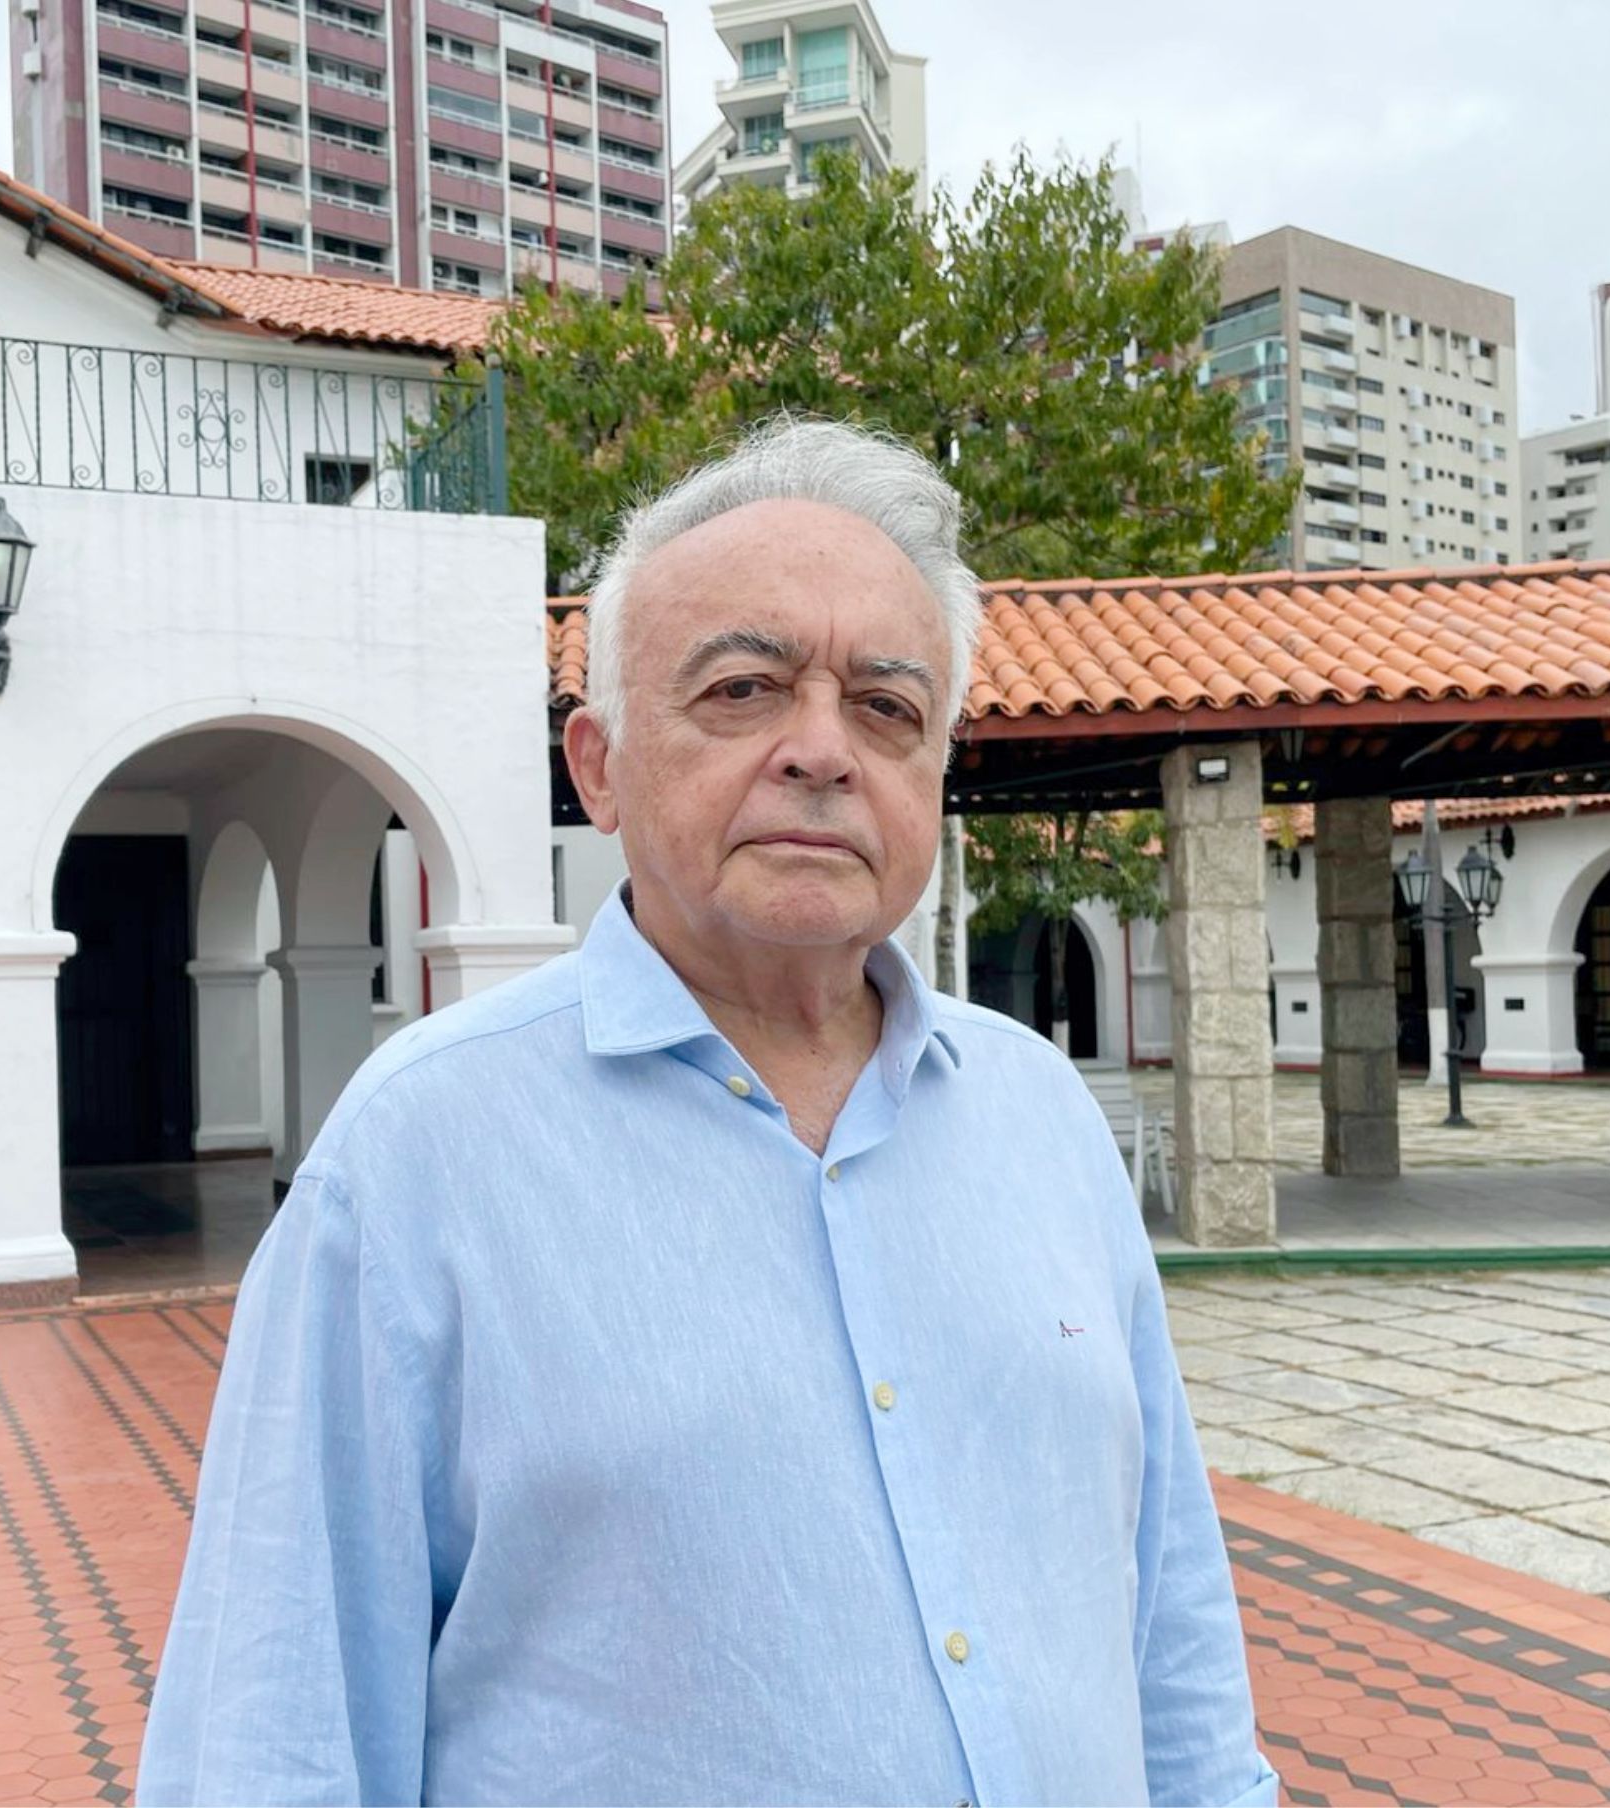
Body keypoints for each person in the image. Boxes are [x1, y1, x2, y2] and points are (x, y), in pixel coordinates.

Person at [137, 417, 1277, 1807]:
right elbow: (277, 1735)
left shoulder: (1038, 1114)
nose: (823, 750)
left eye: (888, 708)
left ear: (934, 772)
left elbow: (1168, 1612)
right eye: (744, 689)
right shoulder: (417, 1155)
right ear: (597, 767)